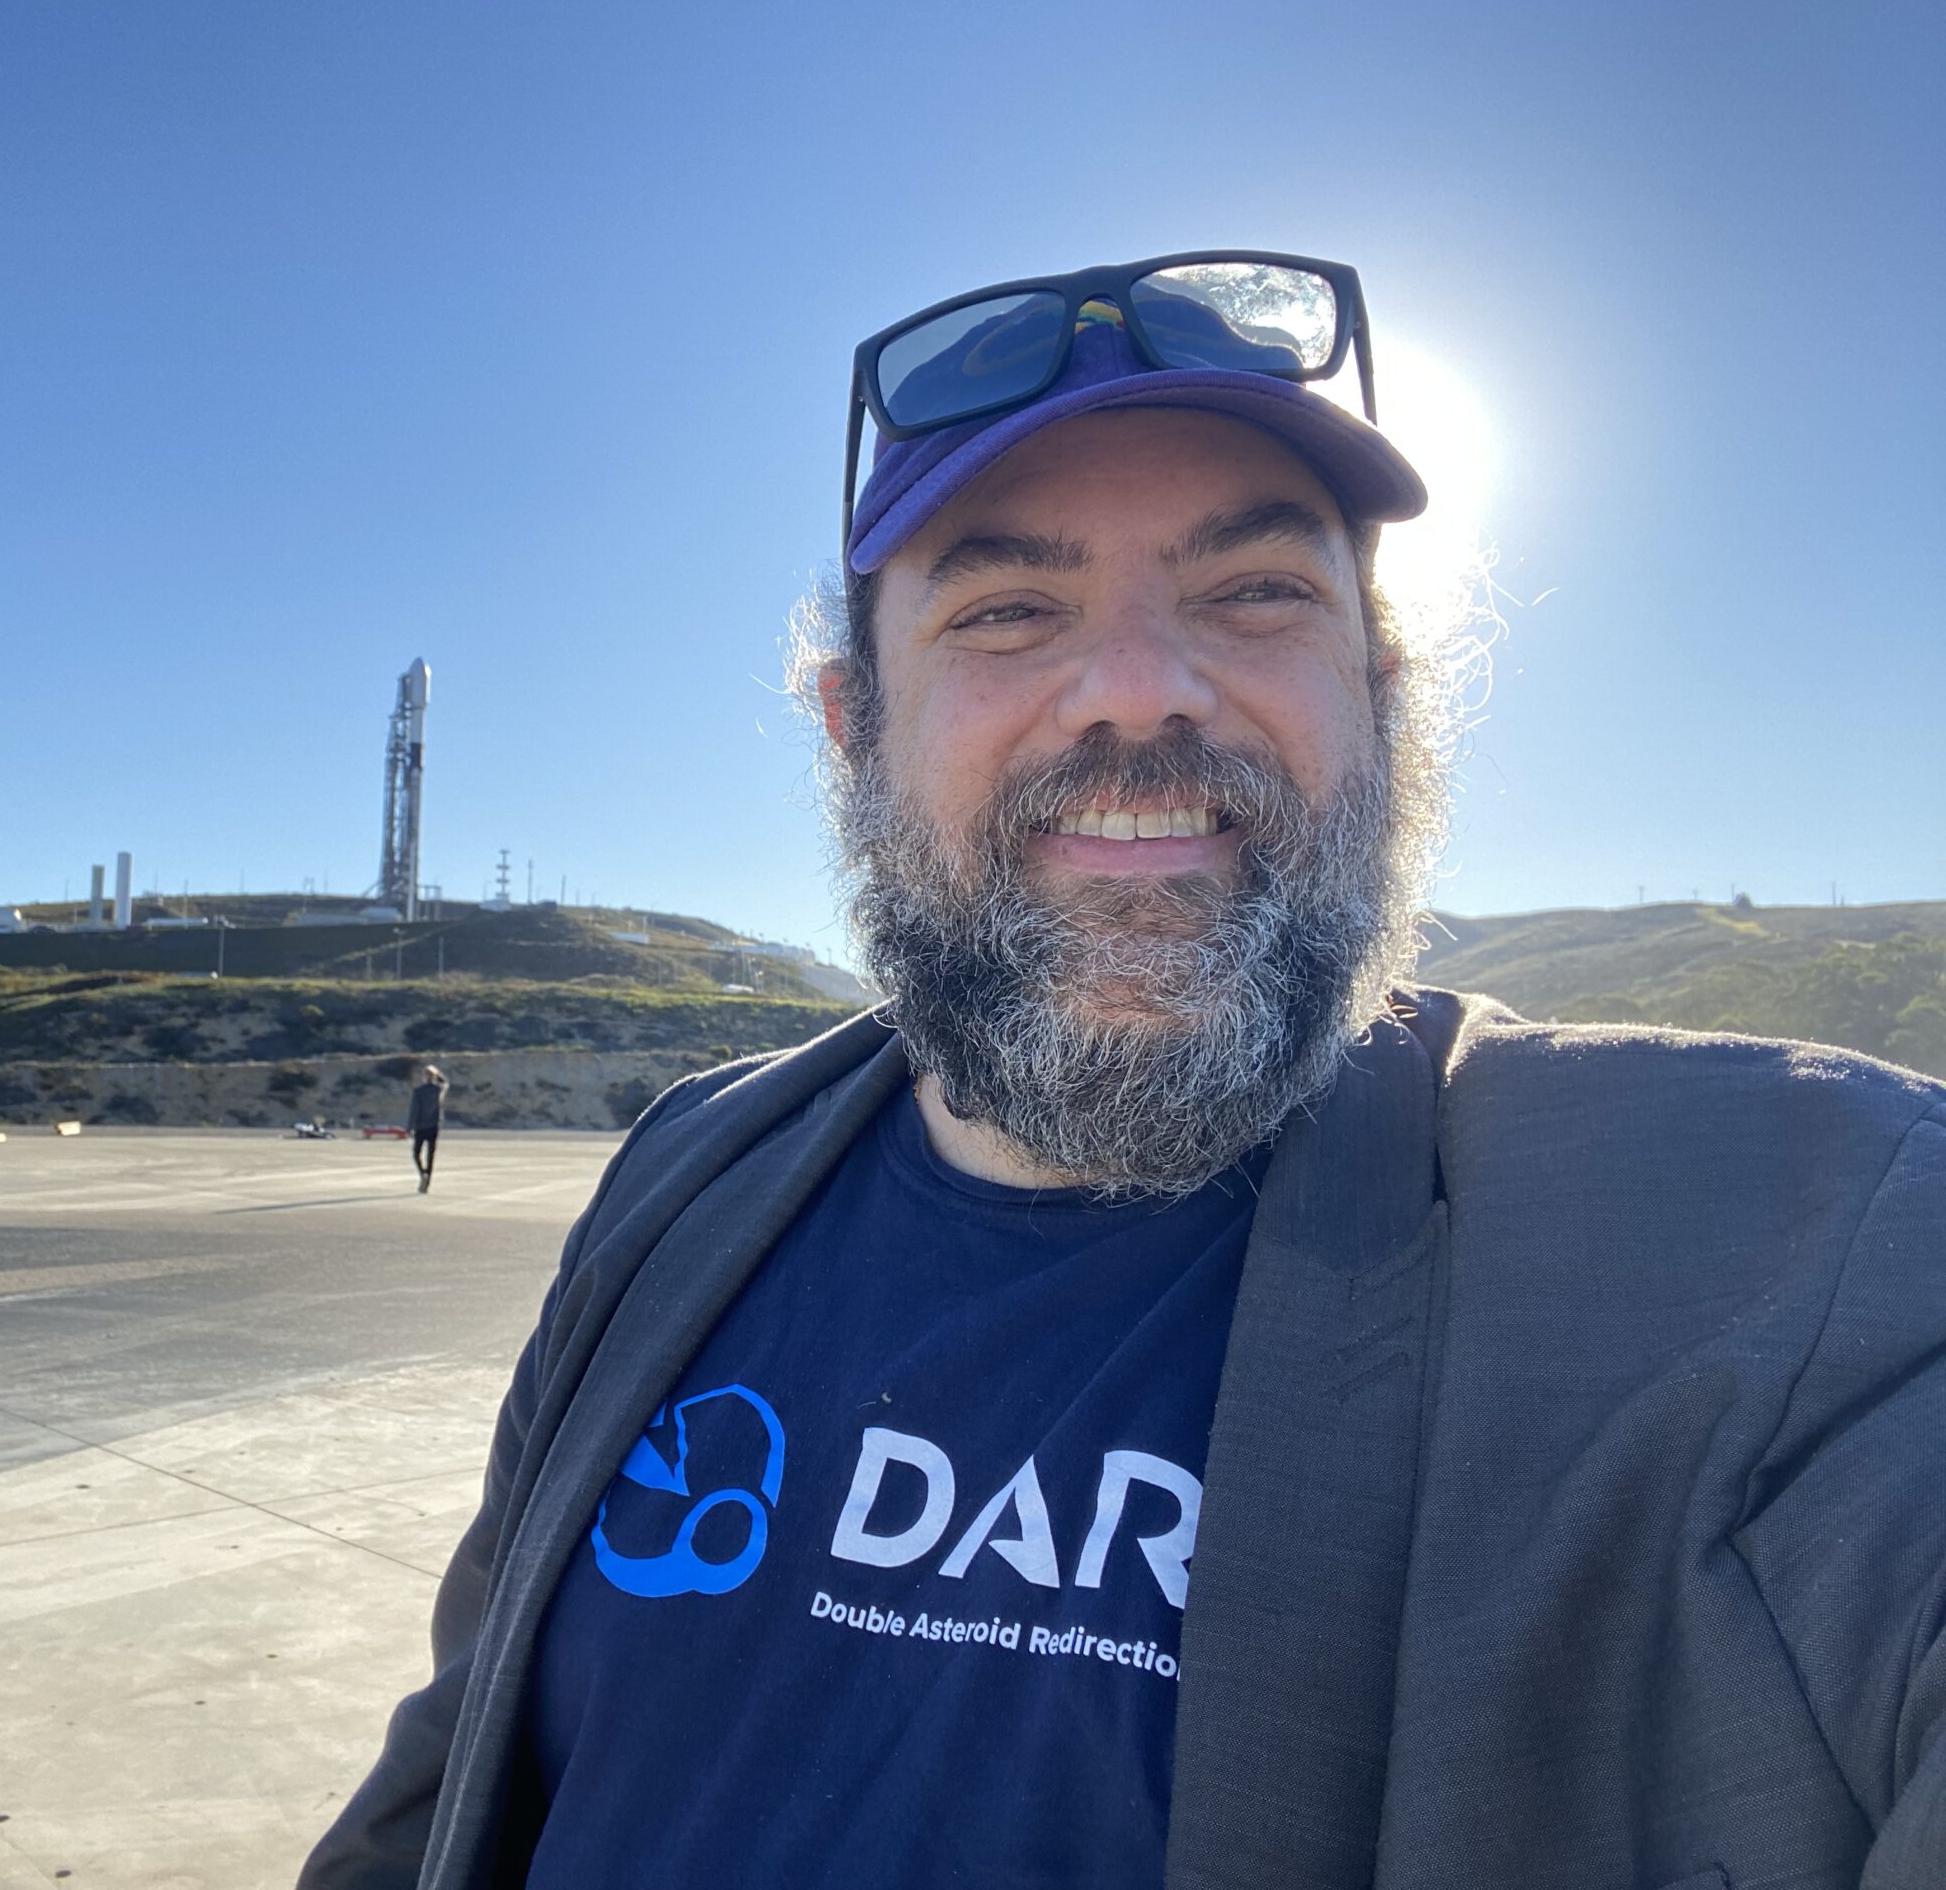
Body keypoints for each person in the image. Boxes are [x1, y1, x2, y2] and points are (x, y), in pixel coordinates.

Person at [302, 253, 1946, 1889]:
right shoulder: (686, 1178)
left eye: (1253, 594)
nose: (1144, 688)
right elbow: (452, 1777)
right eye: (1009, 609)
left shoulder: (1786, 1241)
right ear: (852, 733)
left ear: (1381, 703)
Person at [408, 1065, 446, 1193]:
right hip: (434, 1127)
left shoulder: (418, 1091)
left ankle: (422, 1174)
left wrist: (409, 1127)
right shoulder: (438, 1089)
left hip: (420, 1126)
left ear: (424, 1077)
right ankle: (427, 1183)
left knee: (416, 1153)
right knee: (430, 1156)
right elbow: (445, 1082)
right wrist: (437, 1074)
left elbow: (414, 1111)